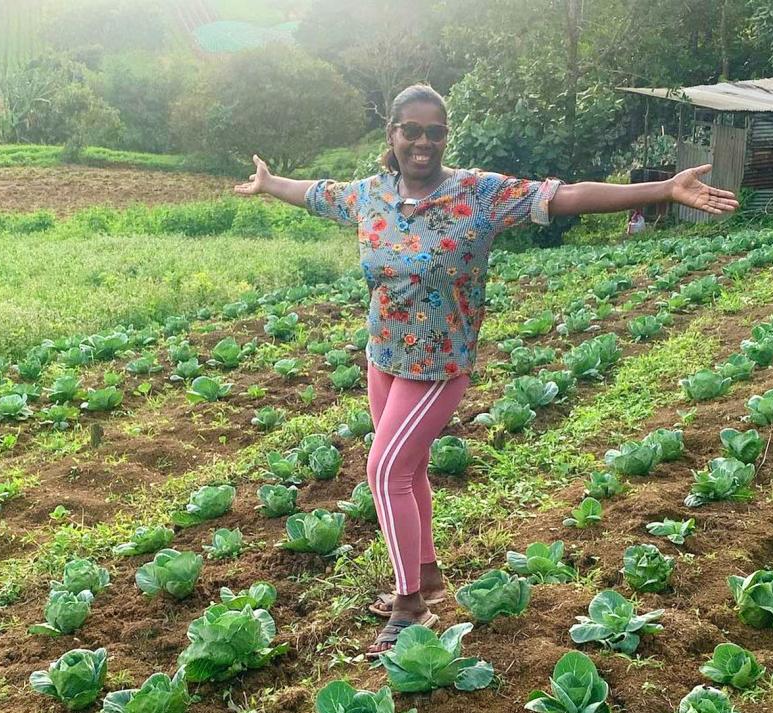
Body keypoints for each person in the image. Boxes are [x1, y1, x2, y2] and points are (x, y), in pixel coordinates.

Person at [233, 83, 737, 657]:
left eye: (436, 132)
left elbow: (568, 195)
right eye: (412, 131)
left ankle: (408, 605)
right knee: (409, 469)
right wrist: (271, 184)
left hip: (440, 364)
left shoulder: (478, 193)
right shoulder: (370, 194)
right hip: (384, 355)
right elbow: (315, 192)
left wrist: (665, 189)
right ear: (392, 135)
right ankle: (426, 576)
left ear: (447, 136)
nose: (424, 142)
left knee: (384, 471)